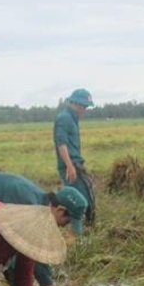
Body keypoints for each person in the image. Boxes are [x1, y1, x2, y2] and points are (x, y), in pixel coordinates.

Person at [54, 88, 96, 226]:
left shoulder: (72, 118)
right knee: (80, 200)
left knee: (87, 196)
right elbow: (61, 144)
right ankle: (77, 229)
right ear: (76, 103)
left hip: (76, 164)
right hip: (70, 166)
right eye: (84, 106)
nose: (85, 110)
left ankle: (87, 227)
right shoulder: (64, 118)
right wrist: (69, 166)